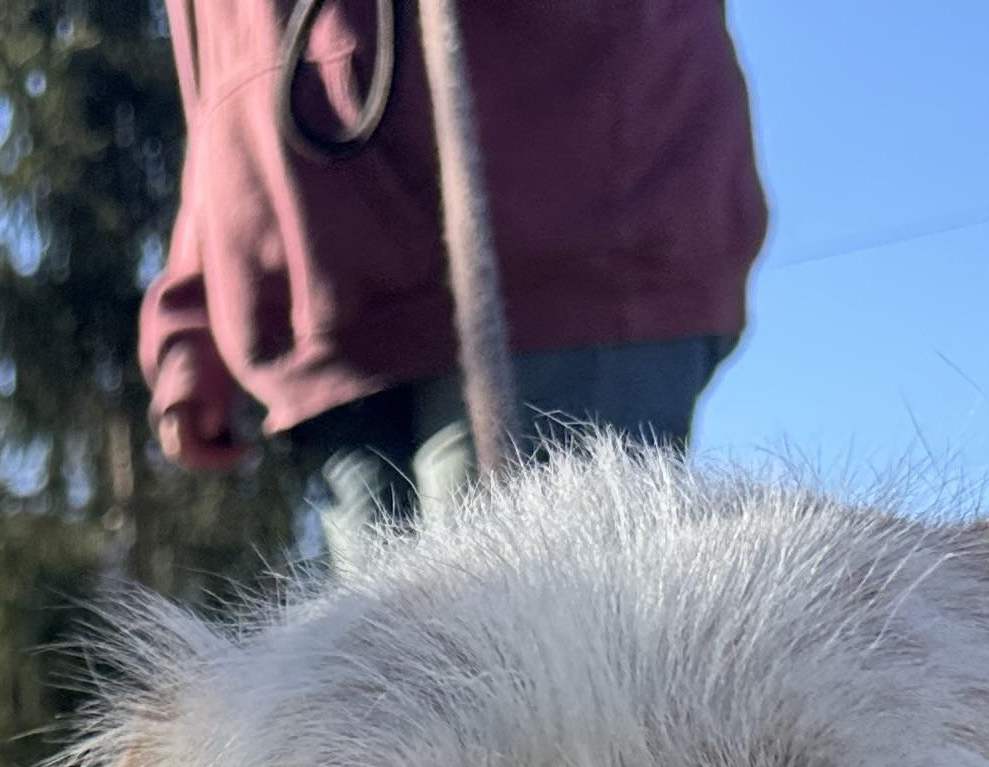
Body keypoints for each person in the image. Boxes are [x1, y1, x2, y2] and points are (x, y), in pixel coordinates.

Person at [141, 0, 765, 574]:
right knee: (391, 653)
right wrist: (191, 312)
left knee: (534, 639)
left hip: (566, 238)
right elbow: (214, 74)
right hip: (321, 321)